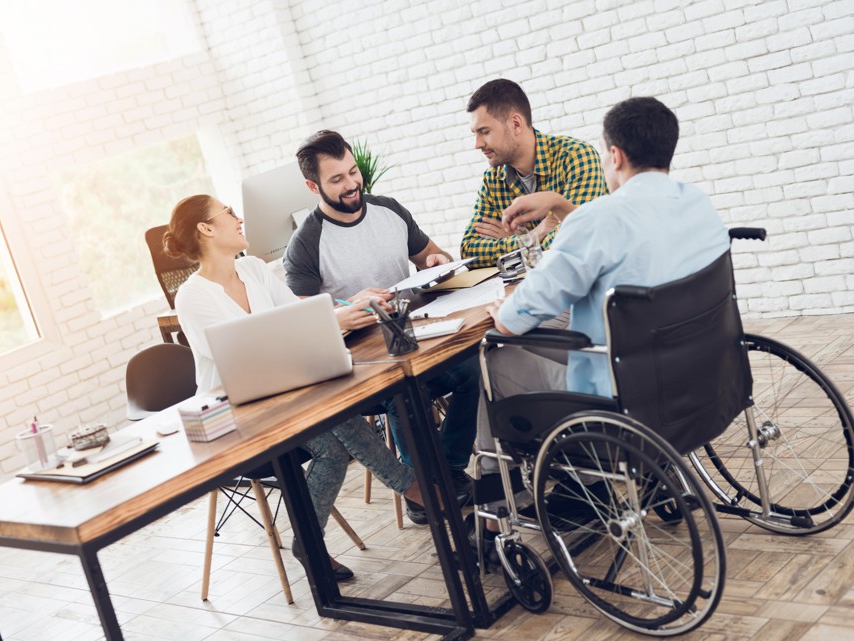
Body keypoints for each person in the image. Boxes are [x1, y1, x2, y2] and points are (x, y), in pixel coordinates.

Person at [474, 96, 730, 543]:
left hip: (628, 401)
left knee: (495, 356)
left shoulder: (597, 219)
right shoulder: (698, 202)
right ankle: (584, 485)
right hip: (706, 374)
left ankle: (503, 501)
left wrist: (506, 313)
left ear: (615, 156)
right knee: (555, 326)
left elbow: (515, 320)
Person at [164, 194, 433, 581]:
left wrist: (343, 310)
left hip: (285, 399)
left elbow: (298, 321)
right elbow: (243, 356)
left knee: (334, 438)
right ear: (205, 229)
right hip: (234, 420)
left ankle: (312, 542)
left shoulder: (254, 269)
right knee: (333, 429)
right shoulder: (192, 296)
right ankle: (417, 490)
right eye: (229, 213)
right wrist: (327, 321)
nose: (240, 219)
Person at [283, 130, 479, 525]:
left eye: (353, 172)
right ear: (312, 185)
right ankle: (423, 487)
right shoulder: (306, 244)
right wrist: (348, 307)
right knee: (406, 393)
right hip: (364, 364)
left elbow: (434, 257)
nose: (352, 184)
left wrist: (436, 261)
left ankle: (450, 469)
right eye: (336, 179)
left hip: (415, 335)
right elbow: (302, 323)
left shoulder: (389, 210)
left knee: (473, 367)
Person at [460, 78, 607, 268]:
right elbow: (469, 251)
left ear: (516, 124)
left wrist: (515, 244)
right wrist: (532, 236)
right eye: (475, 134)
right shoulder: (493, 180)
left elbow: (575, 238)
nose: (477, 144)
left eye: (485, 131)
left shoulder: (576, 156)